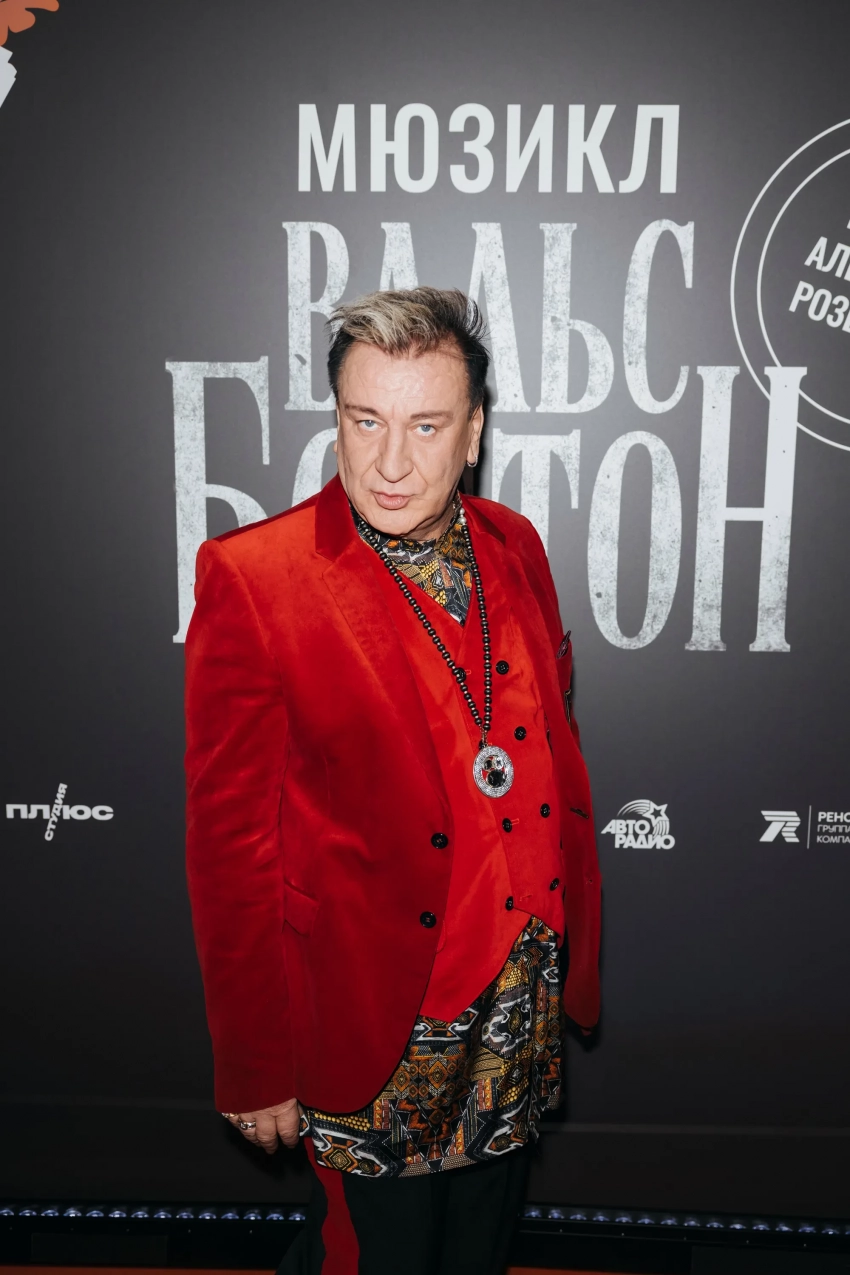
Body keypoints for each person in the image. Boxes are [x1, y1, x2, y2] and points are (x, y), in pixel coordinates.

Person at [184, 287, 601, 1275]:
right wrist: (254, 1060)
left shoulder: (516, 546)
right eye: (364, 420)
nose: (390, 462)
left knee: (478, 1251)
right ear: (336, 418)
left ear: (474, 434)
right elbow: (229, 849)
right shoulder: (257, 577)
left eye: (426, 425)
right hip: (375, 1017)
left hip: (516, 1000)